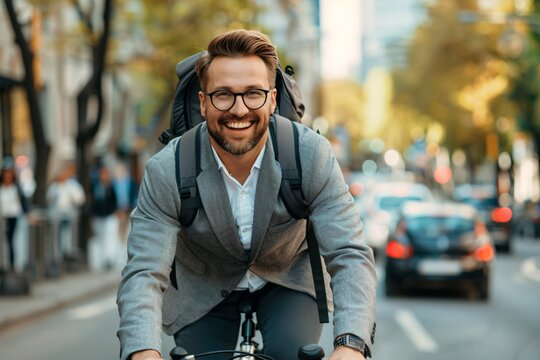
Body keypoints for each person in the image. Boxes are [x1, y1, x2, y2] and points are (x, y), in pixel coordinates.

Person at [117, 29, 377, 360]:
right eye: (223, 94)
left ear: (271, 98)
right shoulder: (167, 169)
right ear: (203, 101)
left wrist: (351, 344)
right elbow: (143, 272)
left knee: (293, 354)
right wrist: (141, 350)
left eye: (253, 93)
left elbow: (349, 253)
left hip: (288, 279)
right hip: (203, 284)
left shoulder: (310, 155)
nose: (239, 110)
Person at [46, 162, 86, 261]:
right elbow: (49, 199)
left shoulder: (73, 185)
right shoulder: (54, 186)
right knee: (56, 236)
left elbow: (80, 199)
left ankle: (69, 254)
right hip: (57, 215)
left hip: (70, 215)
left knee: (69, 236)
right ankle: (56, 256)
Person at [0, 163, 29, 271]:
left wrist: (28, 214)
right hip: (2, 217)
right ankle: (3, 264)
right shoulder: (1, 188)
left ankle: (12, 265)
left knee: (12, 241)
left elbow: (23, 203)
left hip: (14, 216)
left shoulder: (16, 188)